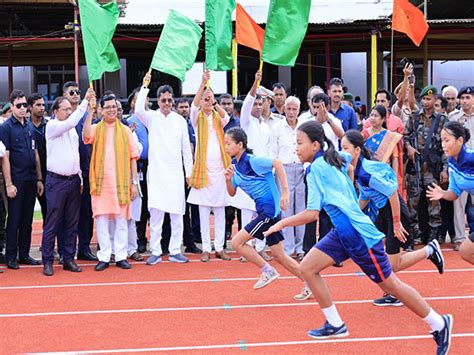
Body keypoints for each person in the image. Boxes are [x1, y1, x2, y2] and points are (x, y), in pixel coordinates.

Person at [264, 121, 452, 354]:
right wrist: (349, 195)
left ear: (315, 145)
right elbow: (350, 164)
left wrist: (281, 223)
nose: (295, 148)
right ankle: (335, 323)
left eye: (299, 143)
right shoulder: (335, 158)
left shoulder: (315, 170)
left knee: (392, 285)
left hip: (358, 234)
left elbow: (312, 214)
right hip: (342, 231)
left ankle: (439, 323)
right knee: (308, 268)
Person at [342, 130, 445, 306]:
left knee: (394, 263)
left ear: (357, 150)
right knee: (375, 248)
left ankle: (429, 251)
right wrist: (351, 215)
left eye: (345, 148)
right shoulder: (358, 169)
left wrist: (397, 222)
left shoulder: (366, 172)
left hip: (394, 211)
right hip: (383, 212)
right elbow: (365, 197)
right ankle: (391, 290)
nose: (341, 152)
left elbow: (391, 194)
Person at [225, 127, 311, 300]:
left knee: (237, 242)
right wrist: (228, 179)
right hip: (266, 212)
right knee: (279, 255)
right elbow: (232, 192)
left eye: (228, 143)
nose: (225, 146)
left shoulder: (253, 161)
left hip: (269, 211)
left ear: (240, 144)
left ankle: (267, 271)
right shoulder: (235, 166)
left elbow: (277, 163)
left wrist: (285, 192)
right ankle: (310, 283)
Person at [136, 74, 193, 265]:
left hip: (176, 174)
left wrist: (189, 173)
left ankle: (175, 250)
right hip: (158, 175)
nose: (167, 103)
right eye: (163, 100)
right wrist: (145, 87)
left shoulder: (180, 121)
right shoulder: (151, 118)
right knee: (157, 214)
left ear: (173, 101)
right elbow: (137, 109)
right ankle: (156, 251)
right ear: (158, 101)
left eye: (169, 100)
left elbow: (186, 149)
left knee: (177, 214)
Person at [83, 93, 139, 271]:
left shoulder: (125, 130)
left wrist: (134, 182)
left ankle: (121, 255)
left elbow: (133, 157)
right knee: (101, 220)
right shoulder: (96, 128)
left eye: (114, 107)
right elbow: (85, 135)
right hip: (101, 183)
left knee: (122, 220)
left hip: (121, 182)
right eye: (108, 107)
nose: (112, 110)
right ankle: (105, 256)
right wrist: (90, 112)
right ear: (101, 110)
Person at [41, 90, 94, 276]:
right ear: (55, 111)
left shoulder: (71, 129)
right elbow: (72, 121)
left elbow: (75, 154)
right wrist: (85, 102)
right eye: (65, 109)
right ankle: (47, 260)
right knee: (52, 222)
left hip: (73, 181)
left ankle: (69, 258)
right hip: (56, 181)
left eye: (70, 109)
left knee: (72, 222)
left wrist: (79, 175)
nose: (69, 112)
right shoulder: (53, 126)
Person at [187, 71, 231, 262]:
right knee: (204, 211)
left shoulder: (217, 117)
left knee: (220, 210)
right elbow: (194, 106)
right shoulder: (197, 118)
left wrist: (215, 103)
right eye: (205, 98)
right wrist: (202, 85)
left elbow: (227, 117)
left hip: (220, 170)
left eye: (210, 98)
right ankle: (205, 247)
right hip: (203, 170)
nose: (207, 100)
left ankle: (219, 247)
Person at [0, 89, 43, 269]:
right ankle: (11, 256)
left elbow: (35, 153)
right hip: (16, 180)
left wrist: (39, 179)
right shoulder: (5, 127)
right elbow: (5, 157)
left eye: (25, 105)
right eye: (19, 105)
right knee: (15, 219)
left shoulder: (29, 126)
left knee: (27, 219)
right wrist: (9, 183)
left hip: (31, 179)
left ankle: (24, 254)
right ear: (12, 106)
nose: (23, 108)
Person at [404, 85, 448, 244]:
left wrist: (445, 169)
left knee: (434, 201)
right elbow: (405, 136)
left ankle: (433, 235)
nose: (425, 102)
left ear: (435, 99)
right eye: (423, 98)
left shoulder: (442, 120)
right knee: (413, 202)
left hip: (432, 167)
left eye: (429, 98)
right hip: (415, 167)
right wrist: (408, 147)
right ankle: (414, 234)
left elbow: (446, 147)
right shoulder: (414, 118)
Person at [427, 121, 474, 265]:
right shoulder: (452, 162)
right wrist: (443, 193)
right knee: (466, 251)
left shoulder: (471, 158)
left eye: (447, 140)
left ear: (460, 140)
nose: (443, 144)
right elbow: (454, 192)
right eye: (442, 140)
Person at [63, 81, 97, 261]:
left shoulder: (86, 116)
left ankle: (84, 247)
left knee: (86, 213)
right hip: (68, 174)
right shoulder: (63, 118)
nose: (75, 94)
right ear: (65, 96)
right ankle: (65, 251)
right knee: (67, 214)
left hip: (86, 171)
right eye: (72, 92)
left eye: (78, 92)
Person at [270, 96, 307, 260]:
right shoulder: (277, 127)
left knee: (301, 209)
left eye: (294, 109)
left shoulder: (304, 126)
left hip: (301, 169)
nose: (291, 112)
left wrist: (306, 167)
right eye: (289, 108)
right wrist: (273, 172)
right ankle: (288, 248)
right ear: (284, 109)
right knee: (285, 210)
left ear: (299, 110)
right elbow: (273, 151)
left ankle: (300, 248)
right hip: (283, 170)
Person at [175, 98, 202, 254]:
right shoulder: (176, 124)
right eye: (181, 107)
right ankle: (183, 240)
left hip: (195, 172)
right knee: (182, 209)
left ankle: (193, 238)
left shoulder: (193, 124)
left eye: (186, 107)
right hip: (180, 172)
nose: (184, 109)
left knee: (196, 207)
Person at [449, 86, 474, 250]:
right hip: (460, 166)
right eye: (462, 97)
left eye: (468, 97)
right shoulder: (453, 117)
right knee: (458, 202)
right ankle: (459, 238)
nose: (465, 100)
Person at [127, 87, 150, 254]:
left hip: (156, 166)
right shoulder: (130, 122)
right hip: (139, 166)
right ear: (133, 103)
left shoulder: (155, 117)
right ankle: (140, 239)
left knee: (154, 204)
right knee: (140, 207)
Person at [362, 105, 403, 194]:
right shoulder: (364, 134)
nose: (372, 118)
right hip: (368, 173)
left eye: (376, 116)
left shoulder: (389, 136)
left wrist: (394, 179)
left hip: (384, 175)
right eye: (371, 115)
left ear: (383, 119)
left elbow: (394, 158)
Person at [28, 93, 48, 224]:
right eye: (38, 105)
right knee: (25, 214)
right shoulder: (24, 126)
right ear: (30, 107)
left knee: (48, 211)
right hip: (28, 174)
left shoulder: (50, 125)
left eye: (43, 105)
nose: (42, 108)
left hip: (47, 175)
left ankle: (47, 244)